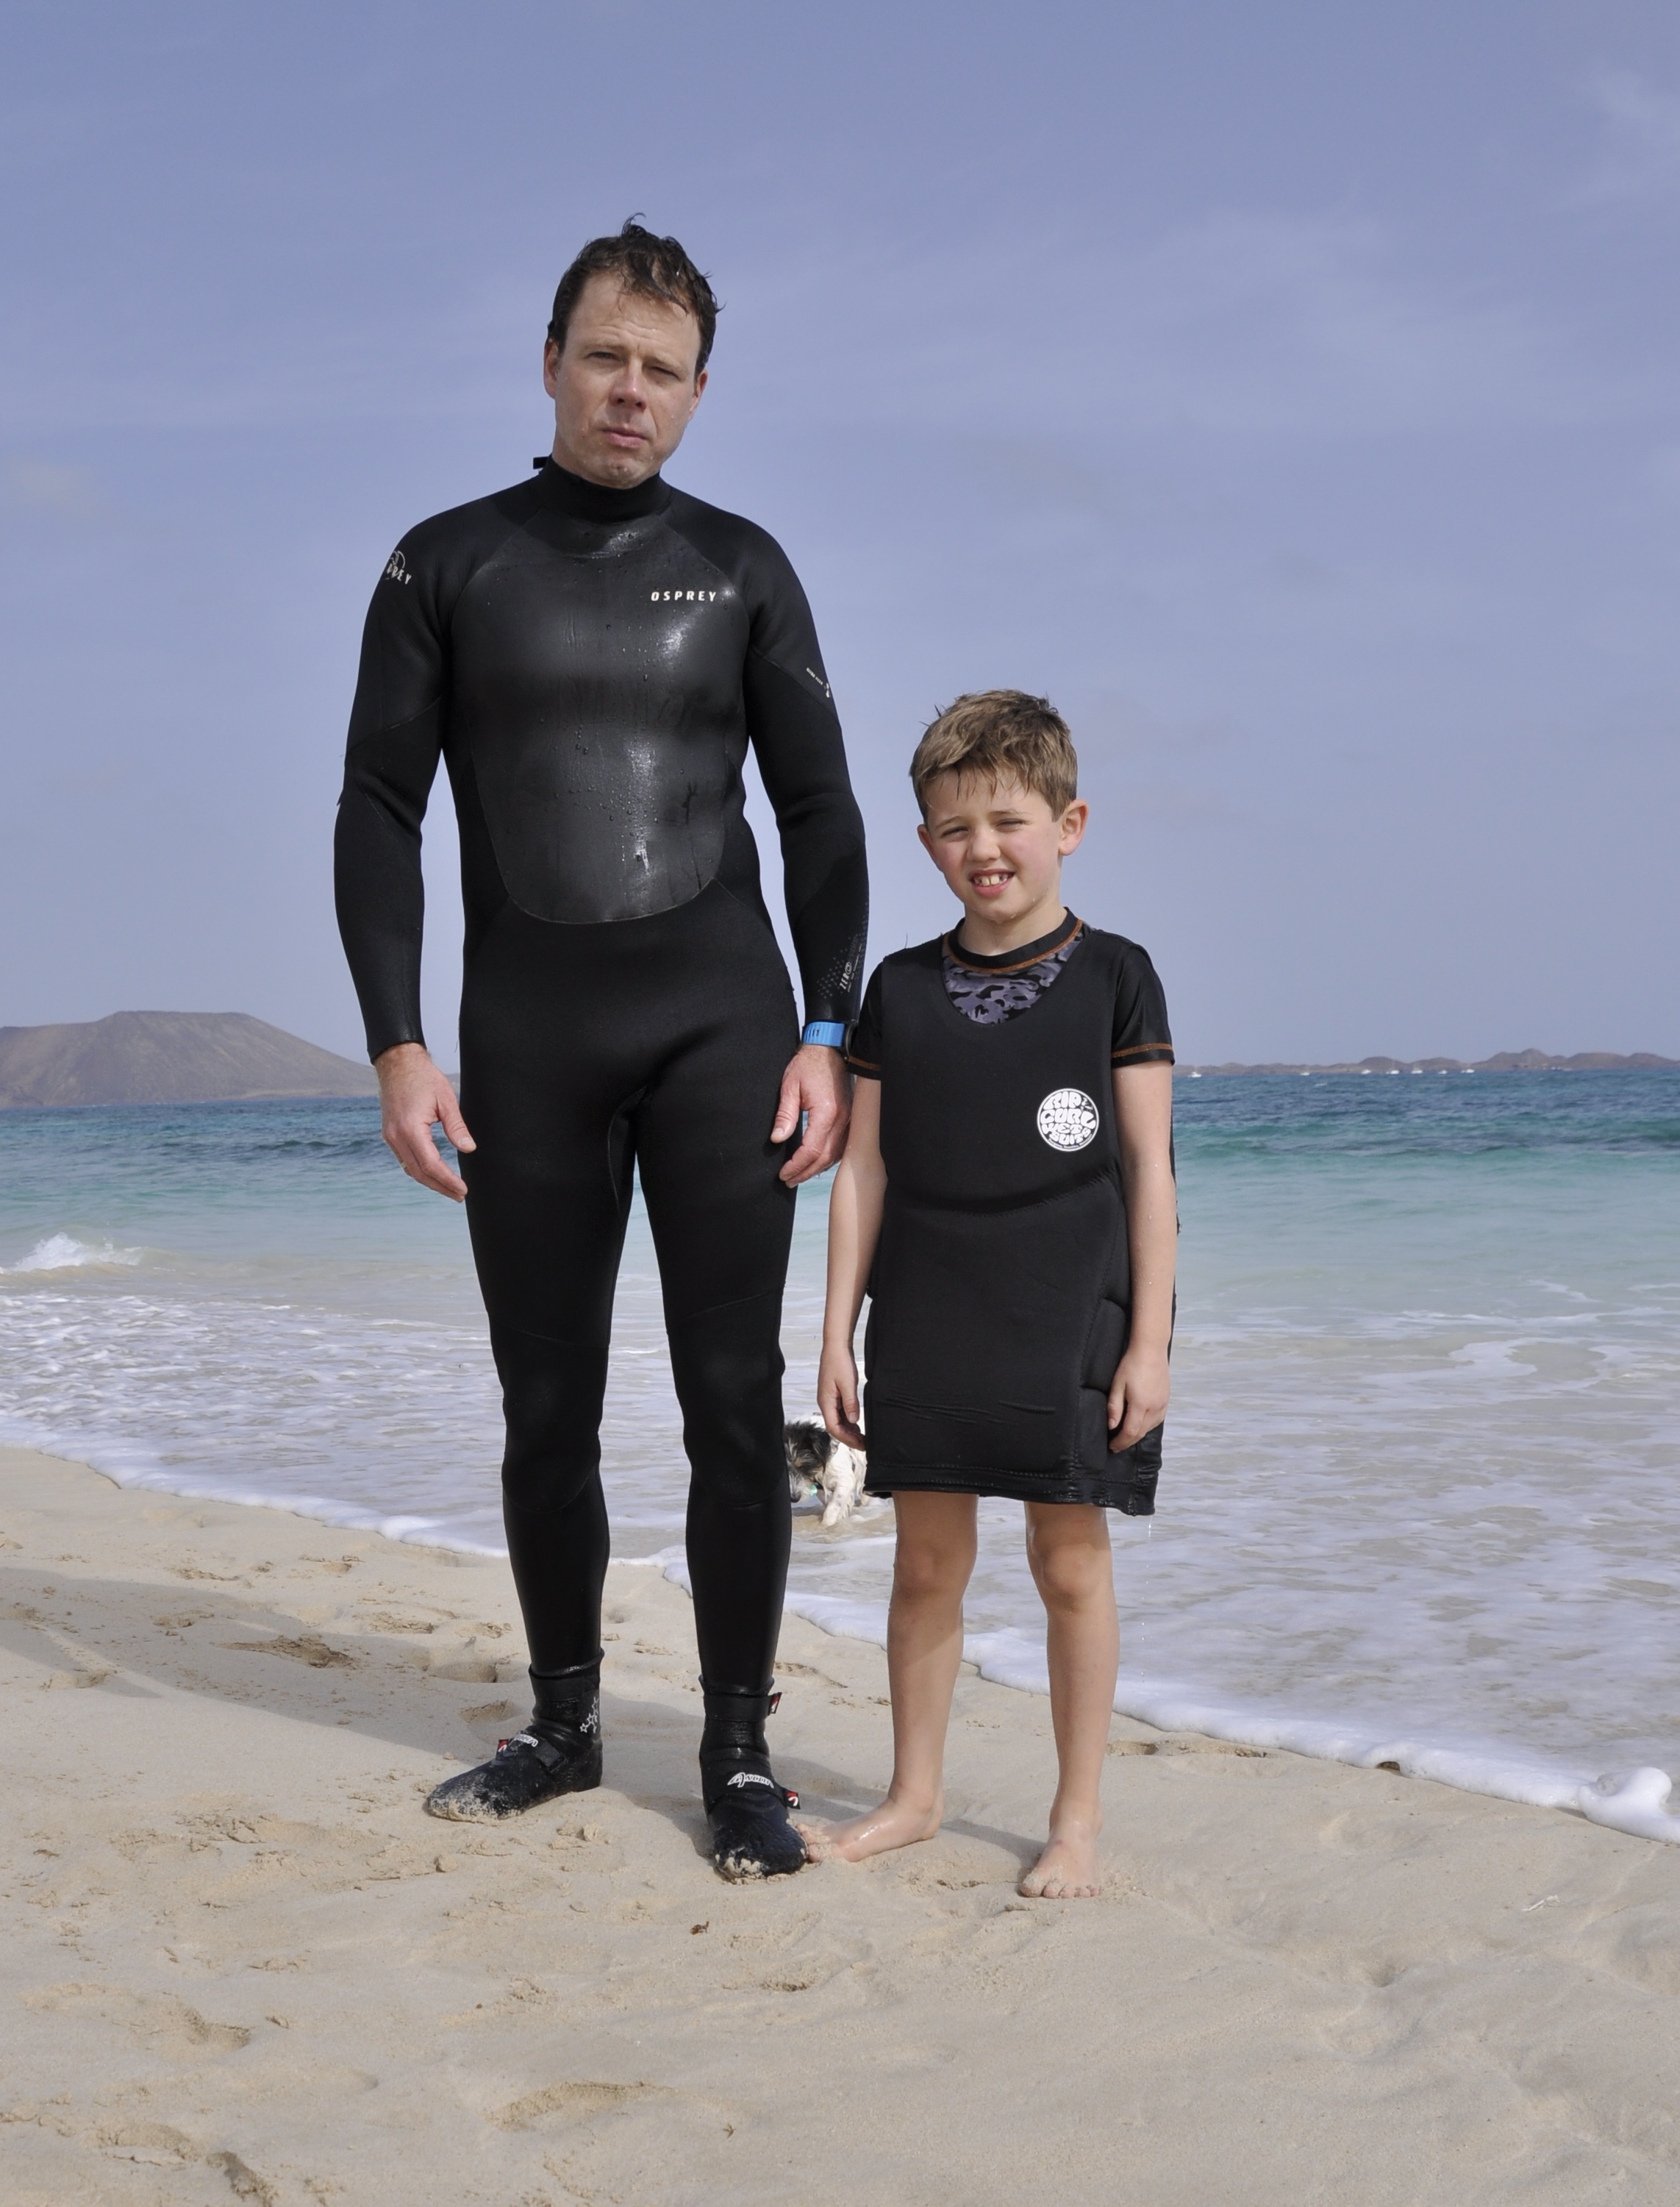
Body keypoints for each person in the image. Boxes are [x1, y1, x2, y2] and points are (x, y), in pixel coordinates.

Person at [334, 225, 868, 1879]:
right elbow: (378, 808)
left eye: (663, 369)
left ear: (699, 392)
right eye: (604, 357)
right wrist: (398, 1045)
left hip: (722, 1029)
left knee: (733, 1402)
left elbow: (820, 809)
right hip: (527, 1039)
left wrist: (828, 1029)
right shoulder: (445, 563)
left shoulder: (743, 566)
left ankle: (737, 1755)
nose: (630, 391)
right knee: (545, 1400)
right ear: (551, 362)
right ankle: (562, 1726)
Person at [812, 690, 1176, 1899]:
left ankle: (1076, 1818)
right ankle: (914, 1797)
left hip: (1073, 1309)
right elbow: (863, 1170)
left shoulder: (1118, 976)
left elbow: (1150, 1169)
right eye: (956, 828)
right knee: (926, 1565)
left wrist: (1150, 1345)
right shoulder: (900, 990)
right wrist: (836, 1334)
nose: (985, 849)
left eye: (1009, 821)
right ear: (927, 842)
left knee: (1068, 1560)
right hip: (928, 1304)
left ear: (1068, 825)